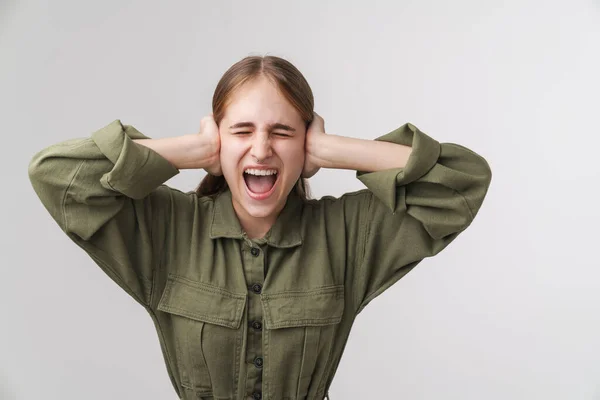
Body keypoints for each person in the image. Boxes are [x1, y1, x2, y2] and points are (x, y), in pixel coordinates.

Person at [28, 55, 492, 400]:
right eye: (242, 131)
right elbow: (56, 175)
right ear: (217, 138)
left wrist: (334, 151)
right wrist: (191, 149)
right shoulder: (165, 230)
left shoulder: (350, 234)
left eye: (283, 132)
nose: (262, 149)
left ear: (306, 141)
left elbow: (461, 184)